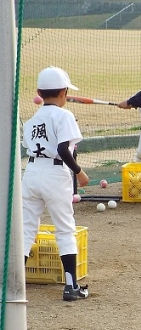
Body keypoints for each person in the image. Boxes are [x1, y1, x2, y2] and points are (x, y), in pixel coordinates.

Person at [22, 67, 90, 301]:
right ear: (63, 92)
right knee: (64, 229)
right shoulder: (64, 115)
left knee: (26, 229)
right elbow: (62, 148)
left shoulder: (32, 120)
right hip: (55, 175)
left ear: (39, 92)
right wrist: (79, 172)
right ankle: (71, 287)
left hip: (31, 173)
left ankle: (14, 286)